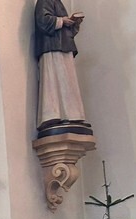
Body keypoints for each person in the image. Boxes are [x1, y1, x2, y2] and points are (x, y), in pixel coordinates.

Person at [34, 0, 90, 132]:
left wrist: (73, 24)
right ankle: (53, 115)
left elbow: (65, 30)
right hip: (52, 47)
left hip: (64, 46)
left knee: (68, 82)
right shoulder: (44, 1)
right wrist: (62, 21)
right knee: (54, 82)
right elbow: (42, 21)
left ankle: (72, 115)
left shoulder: (57, 2)